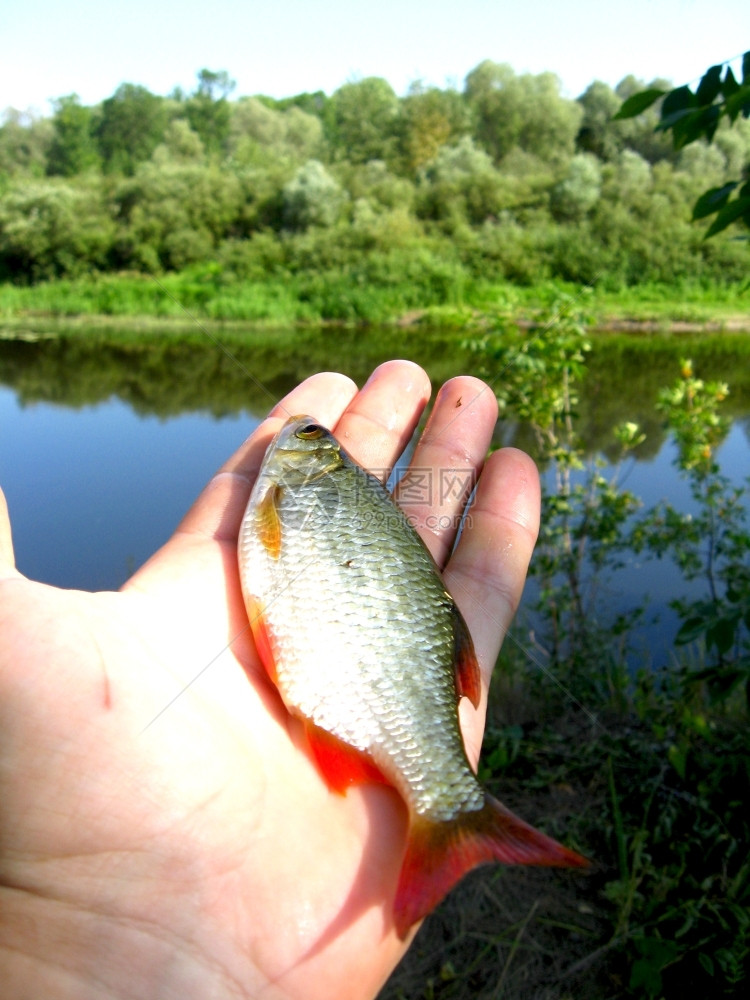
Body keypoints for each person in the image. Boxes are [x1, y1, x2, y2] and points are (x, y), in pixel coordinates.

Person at [0, 361, 540, 1000]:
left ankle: (450, 810)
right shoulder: (303, 489)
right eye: (316, 439)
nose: (301, 434)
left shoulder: (291, 490)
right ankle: (449, 810)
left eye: (315, 440)